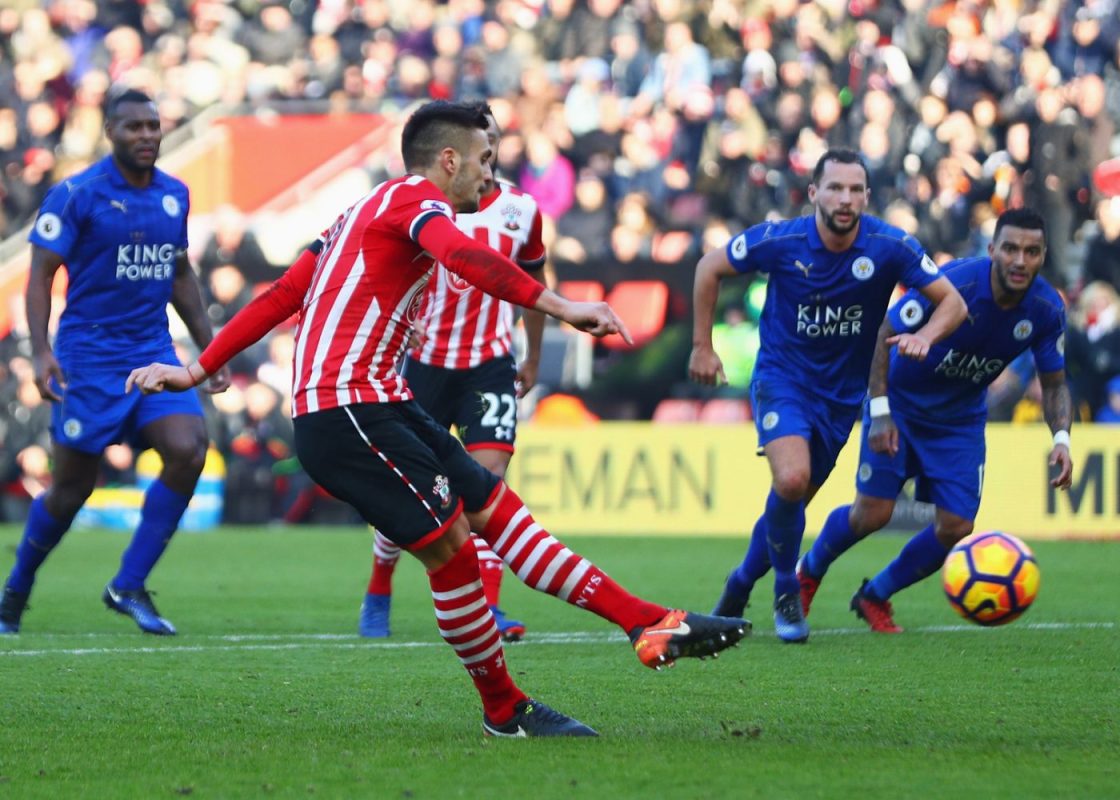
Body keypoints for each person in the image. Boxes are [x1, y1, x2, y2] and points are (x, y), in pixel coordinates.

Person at [127, 101, 747, 737]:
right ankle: (506, 711)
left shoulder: (362, 211)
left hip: (382, 400)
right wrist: (559, 305)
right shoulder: (417, 203)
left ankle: (648, 623)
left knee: (497, 513)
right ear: (448, 160)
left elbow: (287, 292)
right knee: (452, 552)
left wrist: (198, 369)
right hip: (347, 410)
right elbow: (459, 255)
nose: (490, 172)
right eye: (483, 159)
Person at [689, 147, 968, 644]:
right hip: (782, 379)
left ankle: (739, 583)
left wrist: (927, 336)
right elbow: (709, 267)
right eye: (835, 188)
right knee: (792, 480)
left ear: (866, 196)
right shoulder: (783, 239)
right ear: (814, 193)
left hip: (840, 399)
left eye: (855, 189)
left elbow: (952, 303)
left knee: (790, 500)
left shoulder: (890, 246)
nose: (846, 199)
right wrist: (701, 346)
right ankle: (784, 589)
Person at [0, 88, 231, 636]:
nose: (147, 136)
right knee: (72, 488)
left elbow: (180, 277)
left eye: (153, 126)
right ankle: (16, 589)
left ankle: (128, 583)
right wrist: (43, 352)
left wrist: (210, 347)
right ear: (110, 133)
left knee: (188, 448)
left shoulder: (174, 195)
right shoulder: (77, 194)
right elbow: (39, 276)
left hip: (152, 351)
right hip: (90, 358)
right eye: (134, 127)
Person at [797, 208, 1074, 631]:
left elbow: (1054, 382)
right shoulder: (956, 283)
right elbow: (883, 331)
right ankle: (809, 572)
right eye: (1011, 249)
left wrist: (1061, 439)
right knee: (872, 514)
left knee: (957, 524)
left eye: (1032, 251)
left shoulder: (1045, 308)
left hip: (959, 420)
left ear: (1042, 256)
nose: (1020, 260)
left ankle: (875, 594)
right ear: (992, 250)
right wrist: (881, 410)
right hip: (900, 406)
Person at [359, 106, 544, 641]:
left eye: (490, 145)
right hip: (425, 365)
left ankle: (489, 608)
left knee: (488, 486)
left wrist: (531, 355)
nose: (483, 159)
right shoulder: (426, 207)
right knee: (408, 487)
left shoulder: (522, 211)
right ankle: (379, 585)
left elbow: (534, 278)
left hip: (488, 365)